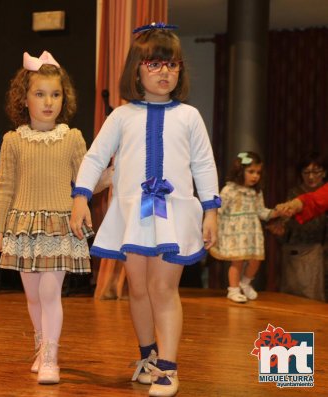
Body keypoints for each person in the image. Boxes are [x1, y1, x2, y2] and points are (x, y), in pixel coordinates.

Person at [70, 23, 220, 397]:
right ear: (135, 70)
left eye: (171, 64)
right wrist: (80, 198)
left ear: (180, 70)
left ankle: (168, 368)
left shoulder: (190, 116)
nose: (164, 72)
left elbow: (204, 165)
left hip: (176, 215)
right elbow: (94, 158)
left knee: (162, 288)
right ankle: (148, 357)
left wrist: (211, 209)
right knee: (137, 288)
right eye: (153, 64)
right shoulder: (121, 117)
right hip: (133, 216)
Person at [0, 51, 100, 385]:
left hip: (58, 225)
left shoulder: (72, 138)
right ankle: (41, 347)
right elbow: (4, 186)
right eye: (40, 94)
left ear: (63, 98)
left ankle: (52, 357)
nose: (48, 102)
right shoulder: (12, 141)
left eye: (55, 94)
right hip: (23, 228)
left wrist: (110, 173)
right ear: (24, 99)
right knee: (34, 296)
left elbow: (86, 180)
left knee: (51, 294)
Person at [210, 151, 279, 303]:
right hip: (236, 233)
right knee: (238, 261)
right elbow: (219, 210)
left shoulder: (256, 192)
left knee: (256, 260)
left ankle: (245, 283)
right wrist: (214, 224)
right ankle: (233, 290)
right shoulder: (230, 189)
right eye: (251, 171)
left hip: (252, 233)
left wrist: (275, 212)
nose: (255, 176)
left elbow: (261, 211)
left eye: (258, 172)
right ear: (240, 171)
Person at [269, 153, 326, 301]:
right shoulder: (296, 193)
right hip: (298, 253)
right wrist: (291, 206)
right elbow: (309, 202)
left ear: (324, 172)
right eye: (306, 172)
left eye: (316, 172)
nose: (311, 177)